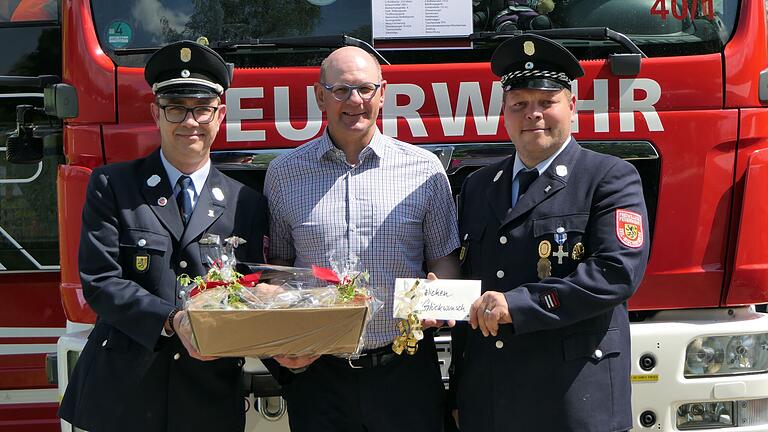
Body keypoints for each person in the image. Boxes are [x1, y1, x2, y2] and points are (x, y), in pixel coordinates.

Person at [58, 40, 268, 432]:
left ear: (219, 114)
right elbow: (100, 283)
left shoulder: (247, 204)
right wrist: (172, 320)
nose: (189, 122)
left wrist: (290, 353)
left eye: (202, 109)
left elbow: (256, 289)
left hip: (207, 398)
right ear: (156, 113)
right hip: (123, 396)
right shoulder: (113, 186)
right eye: (176, 108)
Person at [449, 34, 650, 432]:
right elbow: (472, 281)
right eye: (520, 104)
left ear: (572, 106)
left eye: (546, 102)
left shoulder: (609, 177)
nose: (533, 114)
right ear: (503, 112)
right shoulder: (478, 185)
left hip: (573, 399)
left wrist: (519, 306)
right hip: (490, 401)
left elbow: (615, 273)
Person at [264, 46, 460, 432]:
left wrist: (443, 294)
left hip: (404, 371)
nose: (355, 101)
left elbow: (443, 259)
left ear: (383, 93)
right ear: (320, 96)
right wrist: (279, 332)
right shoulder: (284, 174)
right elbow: (280, 269)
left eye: (366, 89)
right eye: (341, 90)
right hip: (319, 374)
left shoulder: (425, 169)